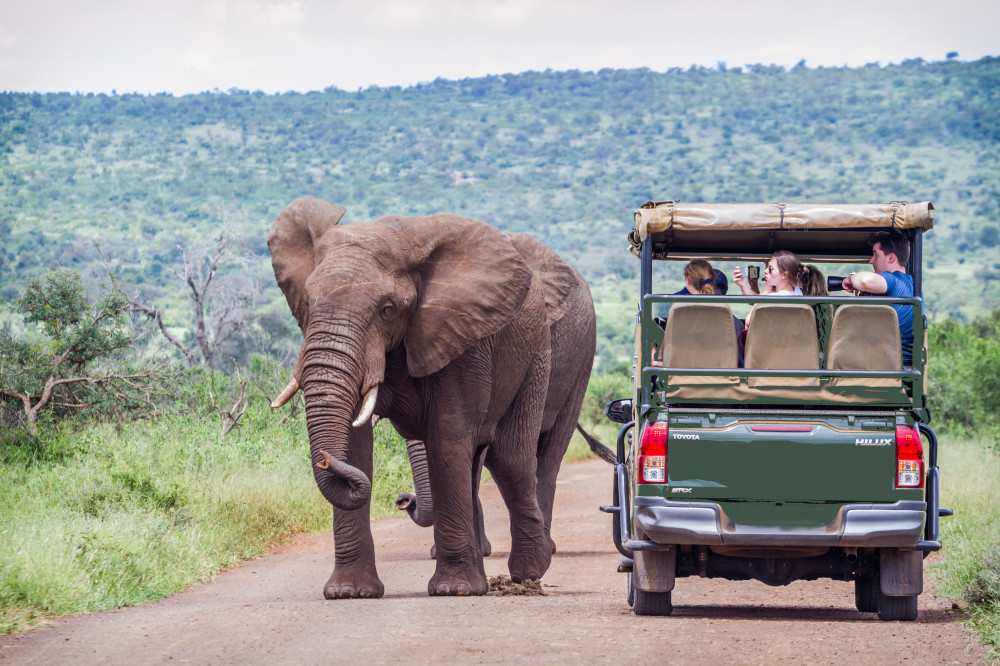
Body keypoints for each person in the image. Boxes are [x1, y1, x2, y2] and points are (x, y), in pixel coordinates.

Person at [654, 259, 745, 367]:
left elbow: (676, 353)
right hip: (723, 378)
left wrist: (653, 327)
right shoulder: (731, 320)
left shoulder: (680, 314)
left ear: (688, 280)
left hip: (685, 377)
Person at [842, 231, 914, 365]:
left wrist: (851, 278)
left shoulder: (894, 280)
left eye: (875, 254)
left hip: (884, 365)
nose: (871, 260)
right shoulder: (911, 285)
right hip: (901, 364)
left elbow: (864, 281)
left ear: (891, 258)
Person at [735, 250, 827, 328]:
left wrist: (763, 296)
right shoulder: (796, 292)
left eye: (770, 268)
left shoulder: (773, 299)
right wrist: (745, 286)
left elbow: (749, 323)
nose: (765, 271)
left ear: (784, 274)